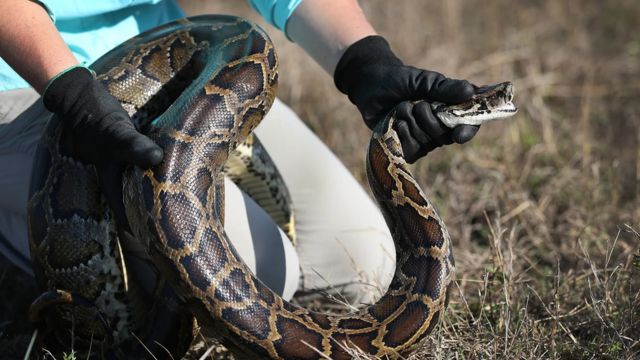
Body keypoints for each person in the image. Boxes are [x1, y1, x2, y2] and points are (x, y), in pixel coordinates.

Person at [0, 0, 479, 305]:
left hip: (171, 65)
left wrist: (366, 63)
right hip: (28, 82)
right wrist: (71, 94)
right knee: (267, 275)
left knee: (364, 265)